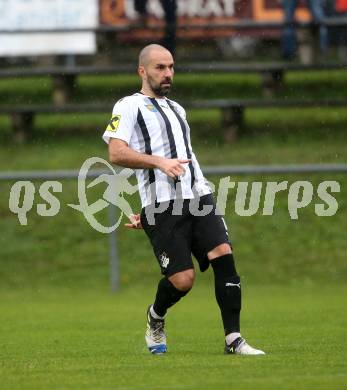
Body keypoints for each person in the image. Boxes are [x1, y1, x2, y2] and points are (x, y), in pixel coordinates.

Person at [102, 44, 265, 356]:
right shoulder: (128, 106)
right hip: (162, 206)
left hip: (199, 198)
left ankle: (234, 339)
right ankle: (156, 316)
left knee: (224, 254)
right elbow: (116, 152)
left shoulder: (178, 109)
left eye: (171, 67)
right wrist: (159, 165)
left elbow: (188, 157)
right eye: (160, 68)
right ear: (142, 71)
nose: (168, 74)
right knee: (183, 280)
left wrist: (202, 187)